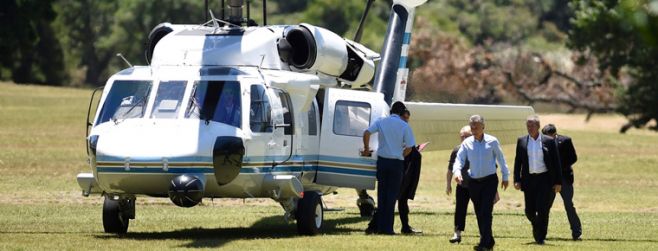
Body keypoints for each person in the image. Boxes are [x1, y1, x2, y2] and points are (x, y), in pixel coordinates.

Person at [453, 115, 509, 251]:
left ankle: (484, 243)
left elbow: (501, 159)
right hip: (473, 182)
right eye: (471, 126)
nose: (473, 129)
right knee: (479, 212)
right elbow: (459, 159)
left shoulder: (492, 141)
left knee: (486, 211)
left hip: (489, 181)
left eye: (476, 126)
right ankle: (489, 240)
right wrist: (457, 172)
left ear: (483, 127)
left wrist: (505, 176)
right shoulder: (467, 143)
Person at [362, 101, 416, 235]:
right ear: (402, 112)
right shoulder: (404, 126)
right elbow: (410, 147)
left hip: (382, 161)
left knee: (382, 195)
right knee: (392, 197)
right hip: (396, 163)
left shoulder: (381, 121)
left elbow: (367, 132)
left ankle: (380, 227)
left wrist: (367, 149)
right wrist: (400, 154)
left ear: (391, 110)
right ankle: (388, 228)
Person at [513, 115, 562, 245]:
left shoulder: (549, 141)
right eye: (528, 125)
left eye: (532, 125)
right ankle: (536, 224)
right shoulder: (522, 141)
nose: (530, 128)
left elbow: (557, 163)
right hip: (528, 180)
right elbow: (518, 161)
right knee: (529, 211)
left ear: (538, 126)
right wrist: (517, 179)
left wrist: (558, 182)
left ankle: (541, 237)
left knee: (543, 209)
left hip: (544, 179)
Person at [542, 124, 582, 240]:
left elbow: (573, 158)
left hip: (565, 178)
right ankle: (541, 233)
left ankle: (577, 233)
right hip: (549, 180)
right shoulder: (541, 142)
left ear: (555, 134)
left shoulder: (565, 141)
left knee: (569, 205)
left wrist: (558, 168)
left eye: (550, 137)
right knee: (545, 207)